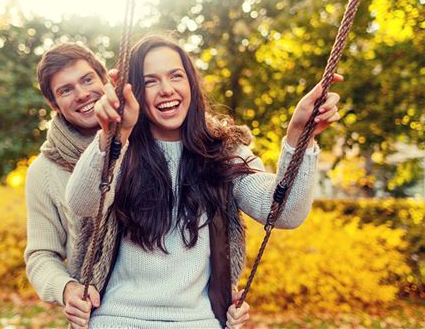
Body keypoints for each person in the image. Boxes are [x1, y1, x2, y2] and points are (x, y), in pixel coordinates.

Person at [64, 35, 342, 329]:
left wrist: (300, 135)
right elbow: (82, 202)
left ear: (191, 84)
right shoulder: (124, 148)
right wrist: (114, 134)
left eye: (176, 76)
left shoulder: (224, 151)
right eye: (150, 82)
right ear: (134, 92)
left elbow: (283, 213)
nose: (167, 90)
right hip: (117, 319)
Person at [24, 42, 251, 329]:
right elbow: (41, 254)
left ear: (107, 80)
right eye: (65, 90)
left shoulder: (158, 137)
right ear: (54, 105)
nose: (82, 94)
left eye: (87, 80)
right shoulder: (45, 170)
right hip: (104, 311)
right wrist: (67, 289)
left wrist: (215, 293)